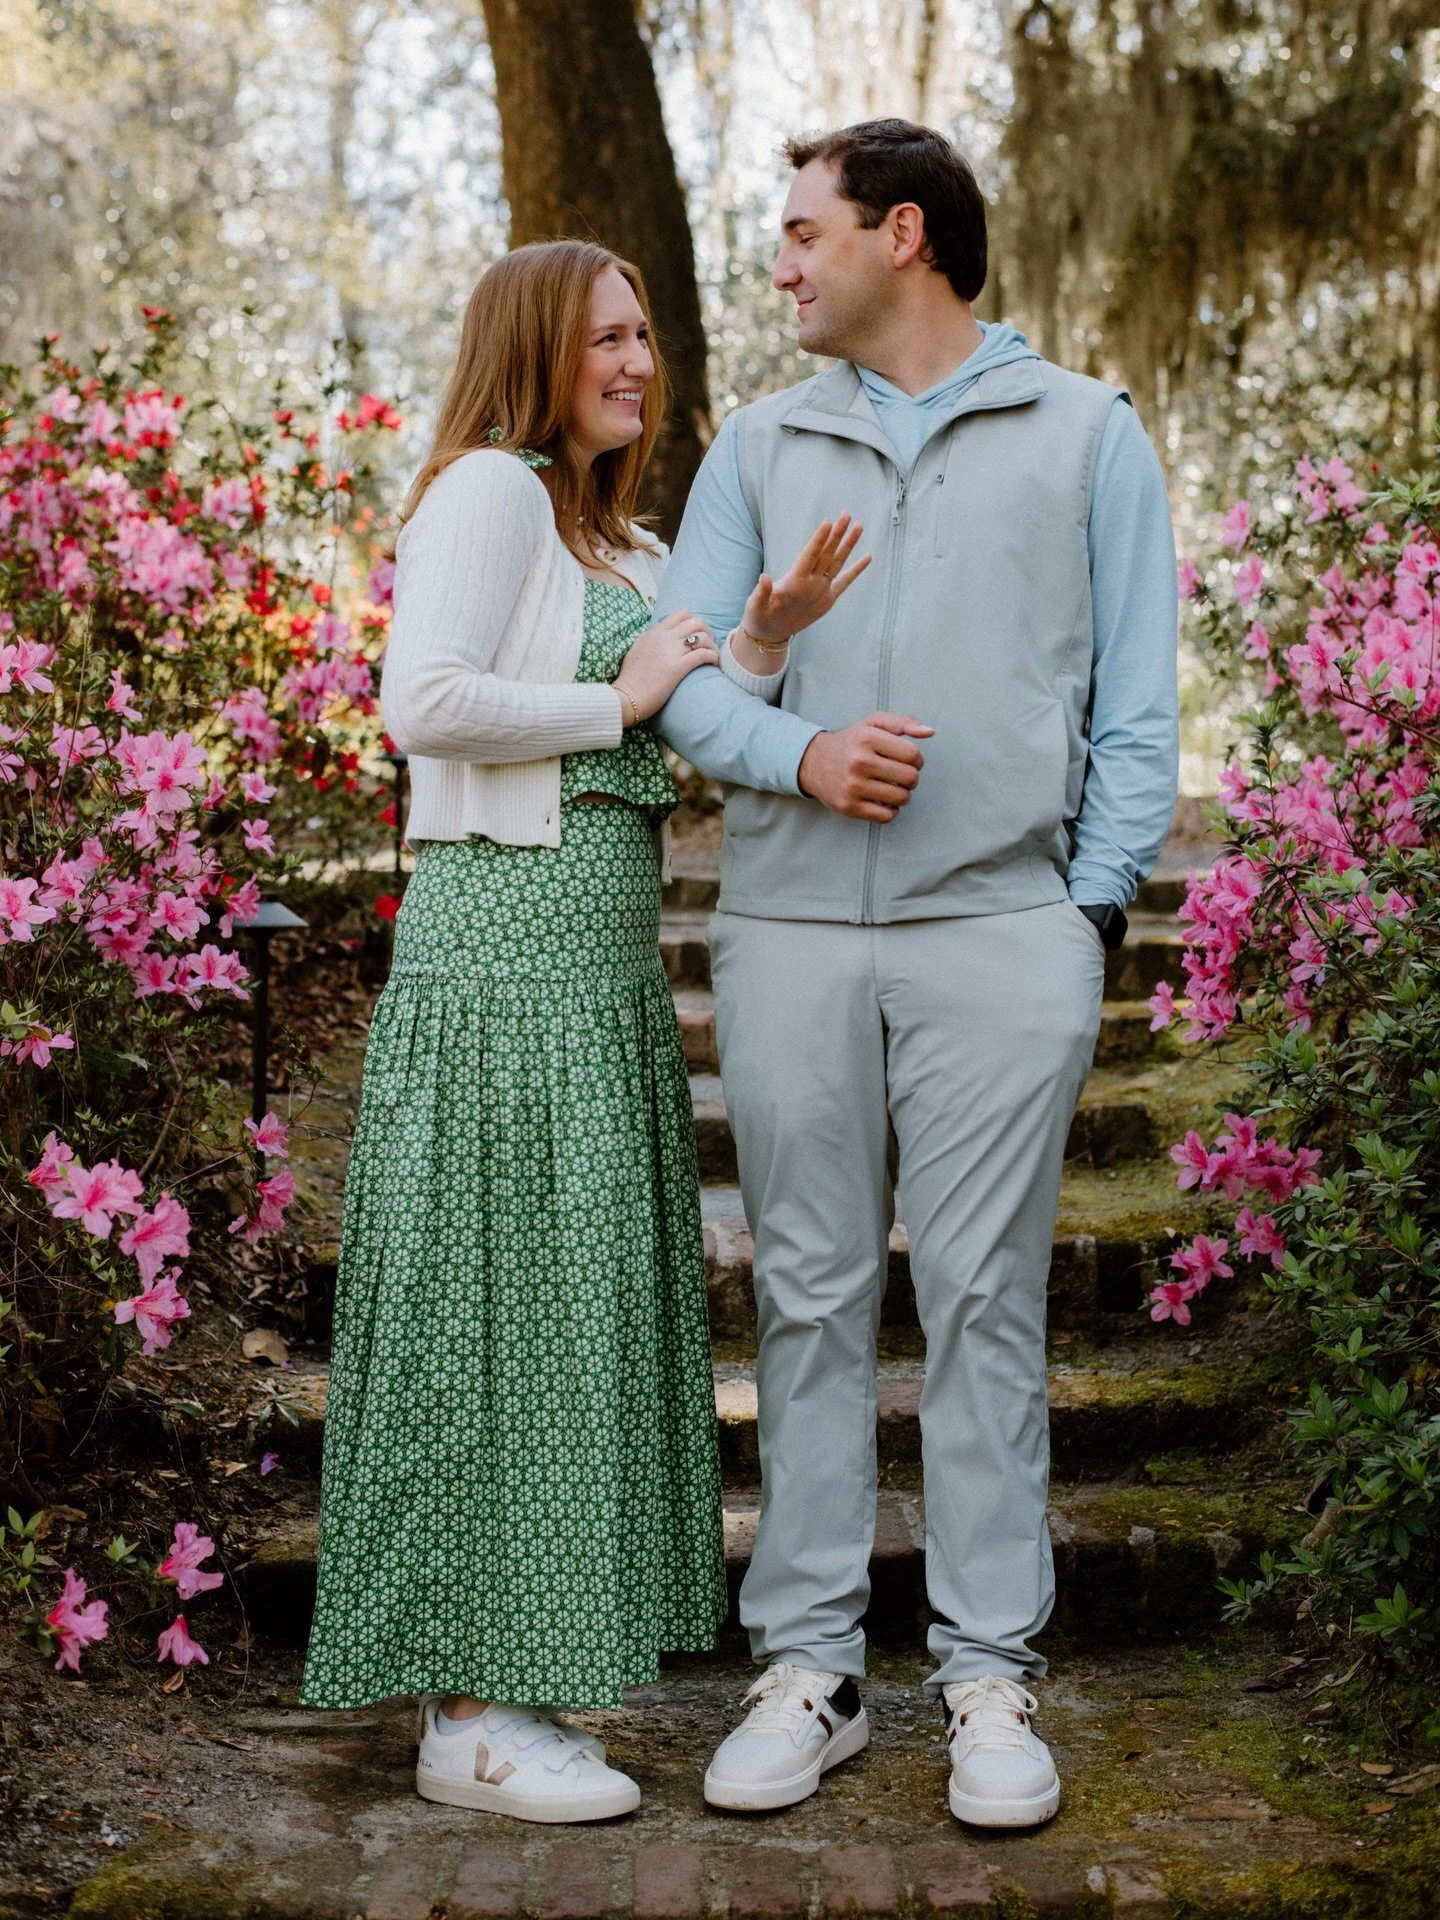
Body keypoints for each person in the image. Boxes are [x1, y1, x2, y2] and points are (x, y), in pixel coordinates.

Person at [299, 238, 869, 1826]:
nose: (635, 360)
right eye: (604, 336)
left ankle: (529, 1683)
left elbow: (687, 717)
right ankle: (465, 1717)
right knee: (493, 1322)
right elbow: (427, 700)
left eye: (642, 336)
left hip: (599, 989)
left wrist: (761, 637)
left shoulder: (625, 538)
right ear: (536, 348)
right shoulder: (487, 489)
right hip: (499, 974)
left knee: (569, 1326)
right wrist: (612, 709)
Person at [654, 120, 1180, 1827]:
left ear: (903, 233)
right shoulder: (755, 442)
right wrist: (802, 760)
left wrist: (1079, 920)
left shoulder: (1088, 432)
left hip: (1000, 939)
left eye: (803, 233)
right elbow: (683, 684)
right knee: (805, 1305)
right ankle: (807, 1669)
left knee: (984, 1314)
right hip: (794, 939)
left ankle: (987, 1683)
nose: (783, 266)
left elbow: (1137, 715)